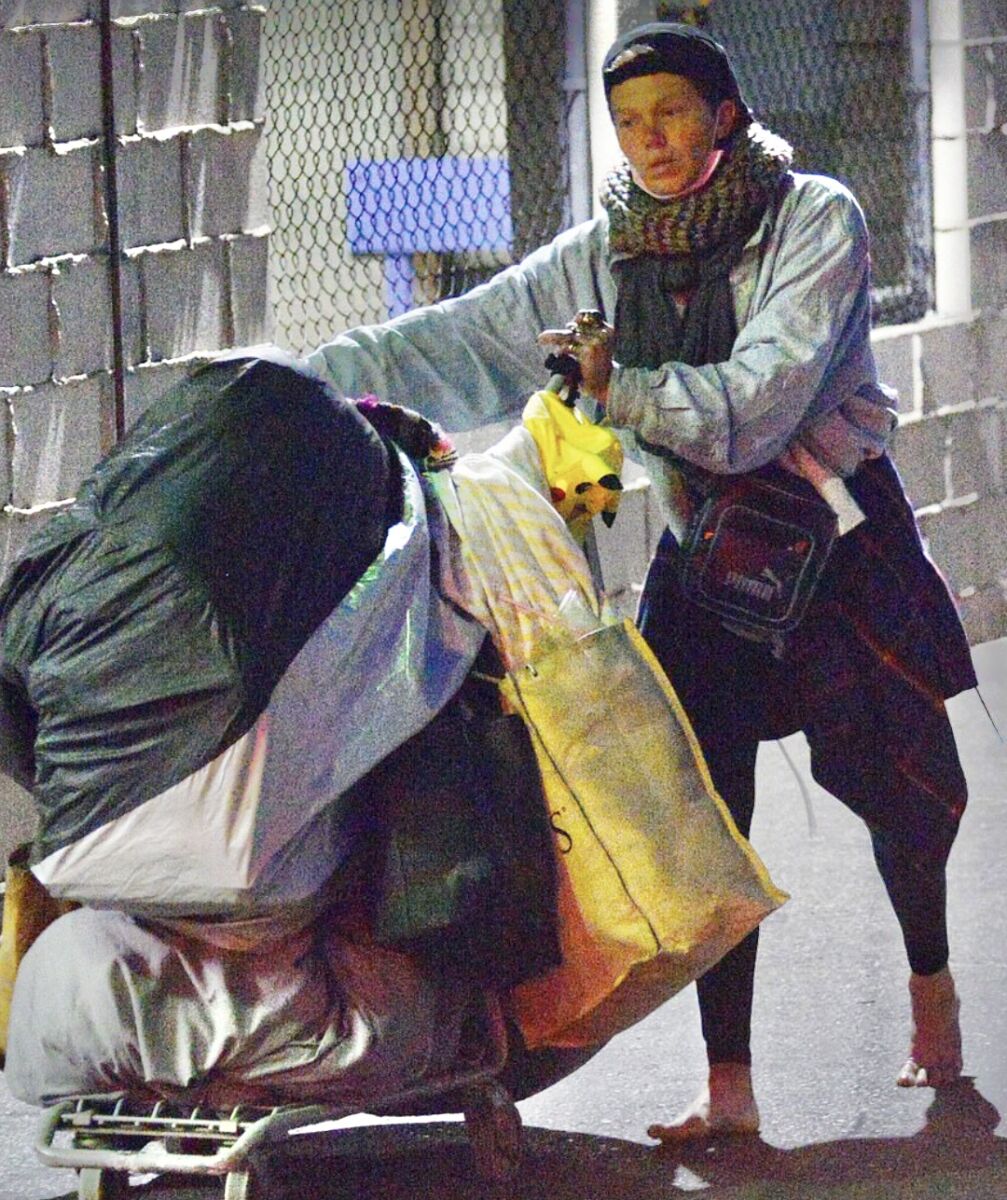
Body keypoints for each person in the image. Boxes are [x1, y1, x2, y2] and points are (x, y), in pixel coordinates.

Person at [309, 22, 975, 1140]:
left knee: (901, 793)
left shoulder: (815, 218)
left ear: (723, 115)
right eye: (627, 121)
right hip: (707, 548)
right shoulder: (605, 249)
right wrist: (295, 378)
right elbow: (462, 339)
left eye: (670, 112)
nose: (649, 139)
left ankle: (929, 979)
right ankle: (728, 1086)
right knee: (701, 811)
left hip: (836, 542)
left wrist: (618, 390)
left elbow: (756, 406)